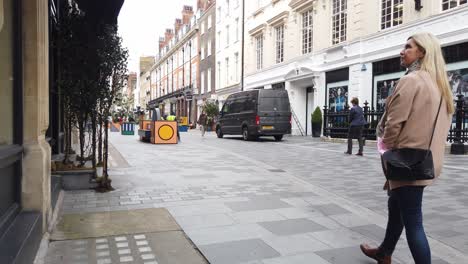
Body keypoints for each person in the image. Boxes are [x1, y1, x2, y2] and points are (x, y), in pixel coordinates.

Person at [360, 32, 454, 264]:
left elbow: (394, 122)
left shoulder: (411, 80)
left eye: (408, 47)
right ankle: (384, 252)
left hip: (406, 161)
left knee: (413, 222)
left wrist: (387, 149)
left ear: (422, 52)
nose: (402, 51)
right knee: (397, 207)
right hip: (426, 161)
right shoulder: (441, 85)